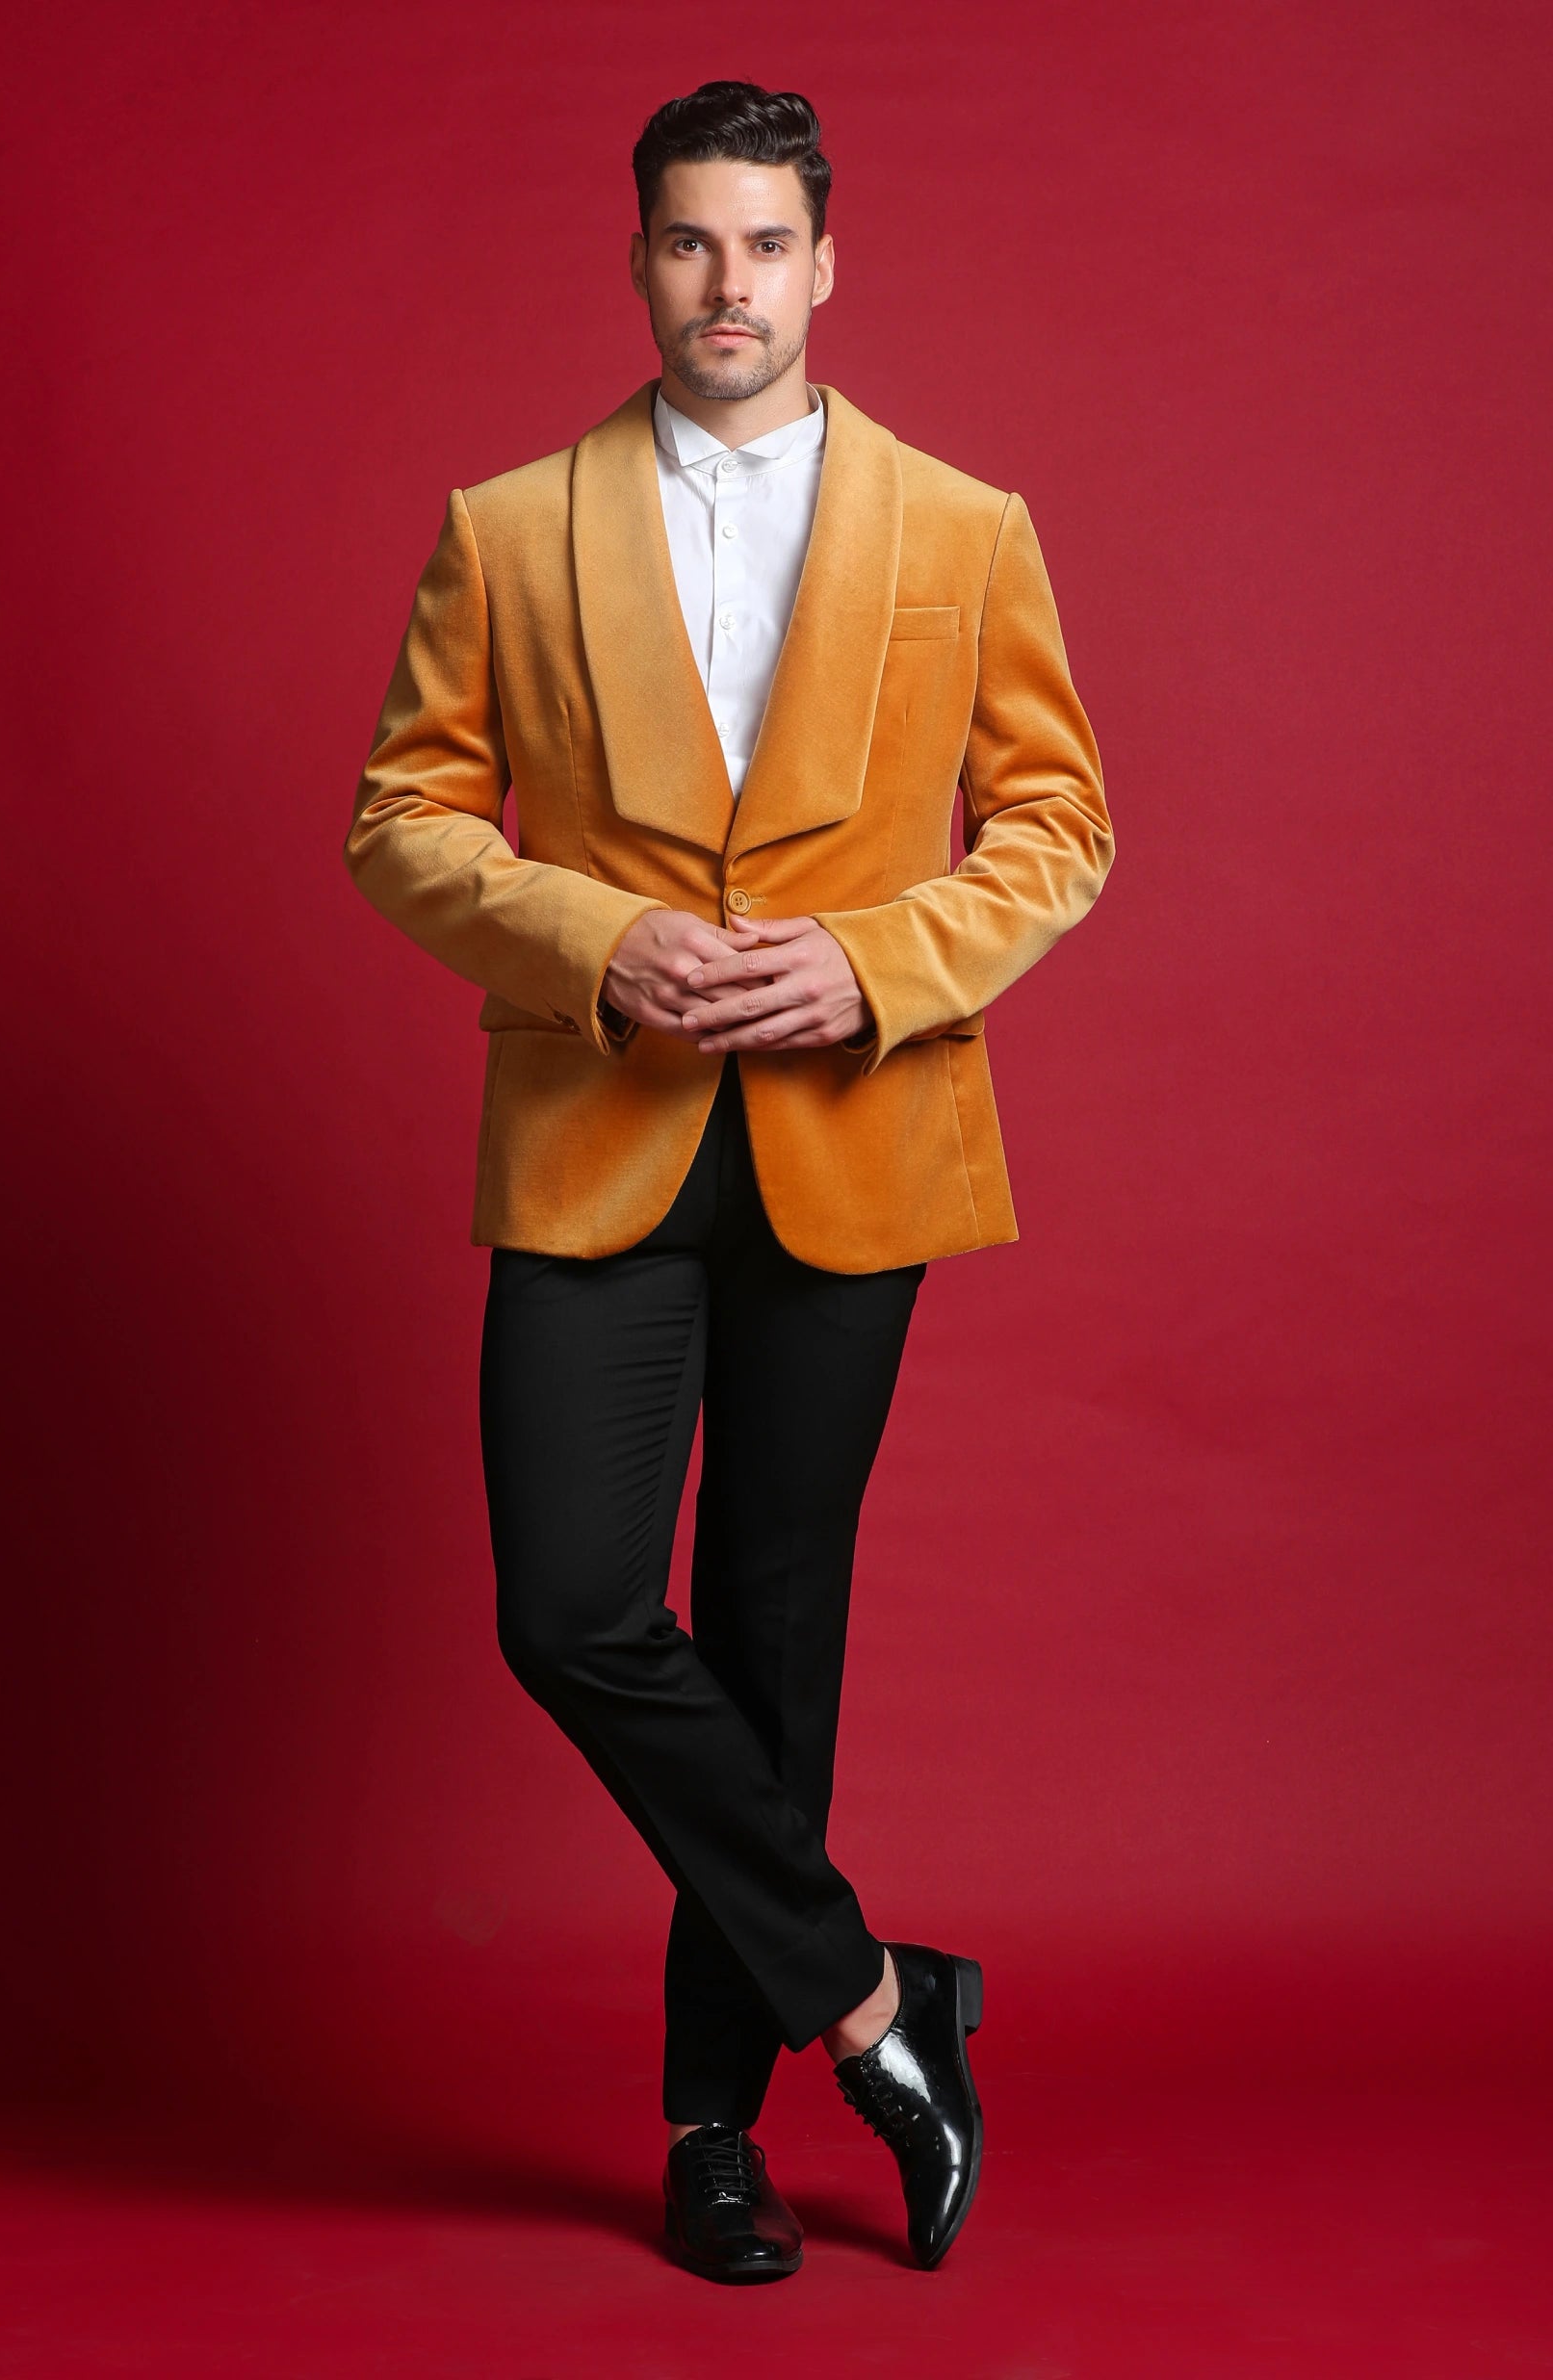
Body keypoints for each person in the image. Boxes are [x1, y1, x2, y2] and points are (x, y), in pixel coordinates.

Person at [344, 78, 1113, 2283]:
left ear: (823, 264)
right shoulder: (509, 527)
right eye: (689, 241)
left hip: (848, 1134)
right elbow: (403, 818)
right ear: (637, 261)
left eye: (764, 243)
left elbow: (1056, 825)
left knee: (777, 1639)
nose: (727, 284)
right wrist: (594, 941)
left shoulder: (962, 525)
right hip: (597, 1128)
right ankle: (874, 2006)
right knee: (573, 1606)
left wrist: (873, 965)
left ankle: (711, 2131)